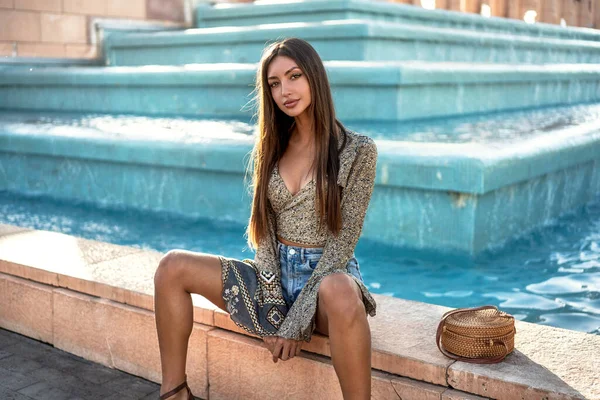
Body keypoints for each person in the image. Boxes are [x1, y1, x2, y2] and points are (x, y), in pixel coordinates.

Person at [154, 37, 378, 400]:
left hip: (325, 283)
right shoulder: (270, 147)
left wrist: (295, 321)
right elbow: (265, 232)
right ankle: (174, 393)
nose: (285, 91)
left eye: (294, 76)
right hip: (272, 276)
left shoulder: (357, 151)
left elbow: (342, 244)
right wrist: (273, 306)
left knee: (338, 288)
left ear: (314, 78)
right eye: (275, 84)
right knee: (171, 267)